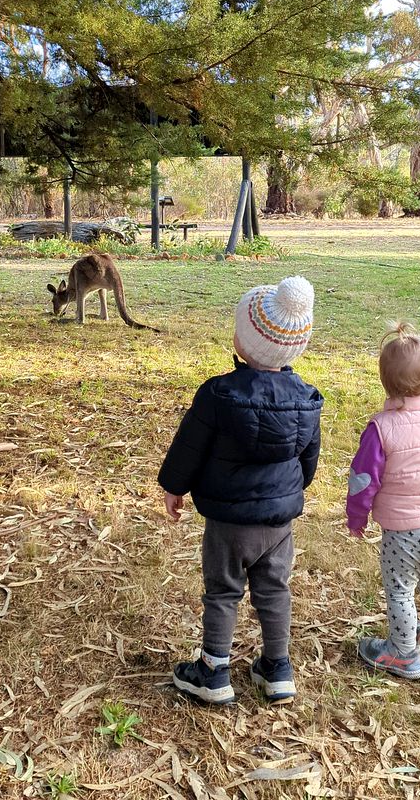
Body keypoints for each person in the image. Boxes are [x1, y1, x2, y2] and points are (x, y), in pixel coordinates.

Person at [158, 276, 323, 704]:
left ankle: (214, 670)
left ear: (243, 341)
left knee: (223, 589)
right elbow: (308, 461)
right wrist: (286, 494)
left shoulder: (218, 394)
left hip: (228, 522)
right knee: (274, 588)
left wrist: (174, 487)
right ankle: (278, 666)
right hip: (278, 522)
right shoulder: (306, 398)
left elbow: (189, 447)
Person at [347, 322, 420, 680]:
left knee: (400, 590)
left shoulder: (382, 428)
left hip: (403, 533)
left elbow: (363, 479)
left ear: (386, 383)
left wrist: (357, 517)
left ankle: (402, 653)